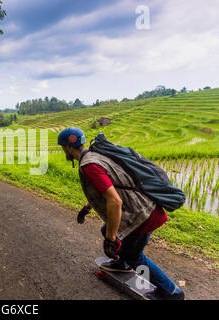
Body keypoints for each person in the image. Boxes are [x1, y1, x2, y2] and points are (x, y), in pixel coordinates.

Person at [57, 127, 184, 300]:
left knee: (134, 256)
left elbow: (115, 201)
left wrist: (111, 240)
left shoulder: (89, 166)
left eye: (62, 147)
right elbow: (110, 187)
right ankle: (121, 264)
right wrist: (87, 208)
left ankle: (171, 292)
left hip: (143, 216)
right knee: (106, 229)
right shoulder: (95, 156)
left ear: (66, 147)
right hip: (145, 209)